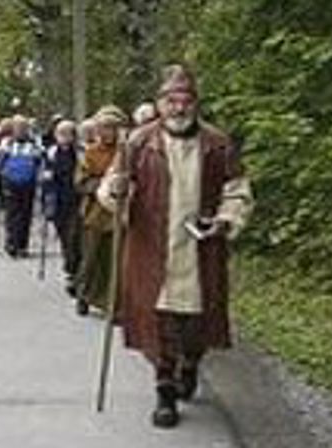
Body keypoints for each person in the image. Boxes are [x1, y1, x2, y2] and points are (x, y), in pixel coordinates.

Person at [98, 65, 253, 428]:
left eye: (186, 101)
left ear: (196, 104)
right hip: (152, 248)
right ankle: (164, 390)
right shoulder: (137, 143)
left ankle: (190, 364)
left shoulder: (218, 144)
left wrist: (224, 220)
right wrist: (117, 191)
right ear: (160, 104)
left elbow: (237, 190)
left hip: (200, 250)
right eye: (171, 101)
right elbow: (112, 189)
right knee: (159, 322)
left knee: (196, 323)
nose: (179, 108)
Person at [74, 106, 128, 316]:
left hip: (119, 214)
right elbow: (81, 182)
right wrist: (103, 184)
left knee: (115, 261)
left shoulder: (126, 152)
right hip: (95, 214)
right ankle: (84, 295)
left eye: (114, 128)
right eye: (106, 128)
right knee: (91, 258)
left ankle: (112, 303)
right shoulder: (90, 153)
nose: (110, 132)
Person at [41, 119, 82, 292]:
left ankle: (74, 272)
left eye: (68, 133)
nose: (64, 137)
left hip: (76, 201)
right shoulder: (50, 153)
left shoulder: (79, 153)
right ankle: (71, 270)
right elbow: (45, 178)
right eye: (61, 133)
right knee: (65, 238)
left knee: (74, 238)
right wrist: (46, 199)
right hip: (58, 202)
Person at [0, 115, 42, 258]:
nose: (20, 130)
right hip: (10, 183)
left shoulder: (35, 142)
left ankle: (22, 245)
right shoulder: (7, 142)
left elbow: (40, 159)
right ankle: (11, 243)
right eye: (18, 127)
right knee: (12, 214)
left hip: (28, 183)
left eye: (23, 127)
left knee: (26, 214)